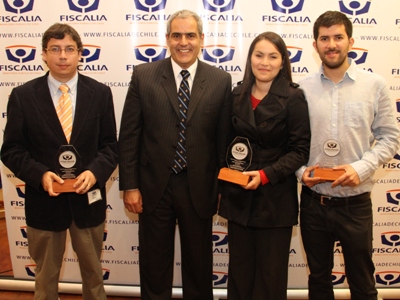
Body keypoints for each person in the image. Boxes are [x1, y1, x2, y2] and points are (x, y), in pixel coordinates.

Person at [118, 9, 232, 300]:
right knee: (154, 267)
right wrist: (129, 185)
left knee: (199, 265)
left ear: (201, 39)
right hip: (154, 186)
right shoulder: (144, 76)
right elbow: (130, 135)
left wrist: (222, 187)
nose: (184, 42)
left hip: (200, 187)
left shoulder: (220, 80)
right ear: (167, 39)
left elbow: (222, 141)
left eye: (190, 35)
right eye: (177, 35)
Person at [1, 23, 118, 300]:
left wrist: (95, 172)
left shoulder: (100, 94)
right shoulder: (23, 96)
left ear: (80, 54)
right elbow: (12, 150)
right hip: (44, 202)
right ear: (44, 54)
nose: (62, 56)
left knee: (93, 276)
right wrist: (40, 175)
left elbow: (111, 147)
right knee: (45, 277)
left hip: (87, 201)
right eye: (55, 49)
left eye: (69, 49)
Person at [296, 11, 400, 300]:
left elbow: (390, 137)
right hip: (314, 202)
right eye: (325, 38)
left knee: (363, 284)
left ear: (350, 41)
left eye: (338, 37)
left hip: (355, 205)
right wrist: (299, 172)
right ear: (315, 45)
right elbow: (291, 143)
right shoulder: (301, 89)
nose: (332, 44)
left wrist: (361, 168)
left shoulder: (375, 85)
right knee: (318, 281)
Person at [218, 31, 311, 300]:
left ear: (282, 62)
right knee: (240, 275)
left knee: (270, 281)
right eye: (259, 55)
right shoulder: (236, 95)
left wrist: (265, 174)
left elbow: (300, 151)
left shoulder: (294, 98)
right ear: (250, 59)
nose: (265, 62)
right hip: (239, 198)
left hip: (275, 198)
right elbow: (225, 145)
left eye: (273, 56)